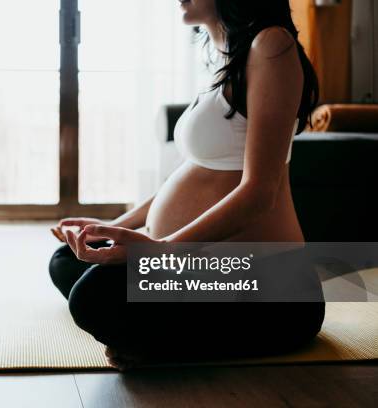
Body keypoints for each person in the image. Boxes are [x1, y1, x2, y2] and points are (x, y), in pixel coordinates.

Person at [49, 0, 325, 369]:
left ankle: (159, 340)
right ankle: (158, 335)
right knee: (69, 259)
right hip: (202, 269)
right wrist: (114, 228)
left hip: (271, 286)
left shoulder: (272, 46)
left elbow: (259, 192)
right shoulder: (225, 59)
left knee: (93, 296)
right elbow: (187, 178)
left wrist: (162, 249)